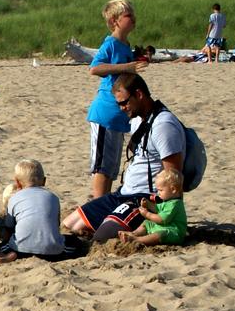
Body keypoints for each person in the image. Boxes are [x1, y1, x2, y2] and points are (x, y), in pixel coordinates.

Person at [63, 72, 185, 242]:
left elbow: (174, 177)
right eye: (118, 104)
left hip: (143, 198)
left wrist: (167, 215)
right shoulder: (136, 119)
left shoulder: (163, 126)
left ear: (139, 94)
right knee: (71, 224)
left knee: (101, 238)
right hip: (122, 193)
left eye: (124, 103)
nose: (121, 108)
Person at [86, 0, 146, 199]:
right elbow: (95, 68)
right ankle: (98, 205)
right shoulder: (110, 43)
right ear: (114, 21)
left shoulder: (125, 45)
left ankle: (102, 204)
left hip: (120, 115)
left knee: (111, 167)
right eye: (128, 16)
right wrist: (126, 67)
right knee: (102, 167)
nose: (134, 19)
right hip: (106, 113)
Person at [0, 160, 66, 263]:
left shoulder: (14, 199)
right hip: (52, 252)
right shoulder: (54, 198)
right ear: (44, 181)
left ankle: (9, 257)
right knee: (74, 242)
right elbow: (56, 225)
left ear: (17, 183)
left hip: (21, 250)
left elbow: (9, 227)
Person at [119, 169, 188, 247]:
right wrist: (148, 204)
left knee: (160, 234)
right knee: (147, 223)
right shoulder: (168, 201)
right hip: (165, 226)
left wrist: (147, 214)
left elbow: (162, 219)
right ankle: (134, 233)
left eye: (161, 190)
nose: (158, 193)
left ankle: (137, 240)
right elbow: (157, 209)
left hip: (174, 232)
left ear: (173, 189)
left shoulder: (175, 204)